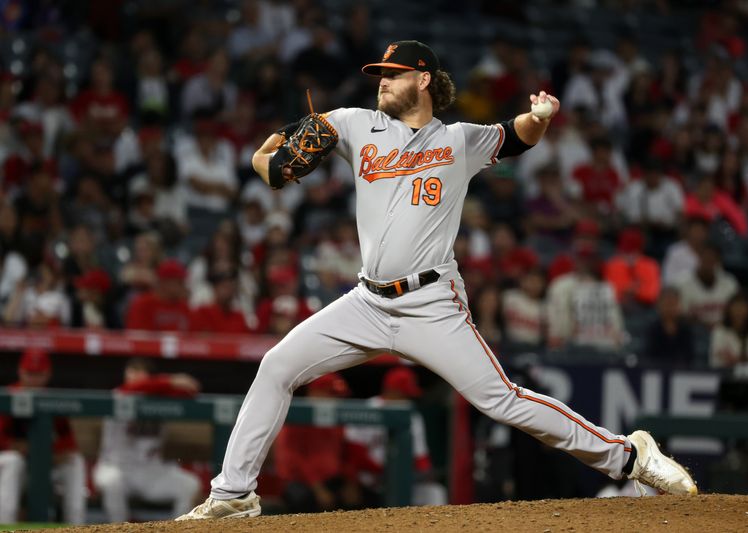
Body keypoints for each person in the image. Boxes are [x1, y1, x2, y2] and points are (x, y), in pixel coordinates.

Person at [178, 40, 696, 521]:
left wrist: (539, 117)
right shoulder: (356, 123)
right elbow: (279, 165)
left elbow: (517, 135)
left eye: (392, 74)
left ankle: (630, 457)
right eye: (378, 74)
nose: (381, 81)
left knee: (503, 400)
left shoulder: (459, 140)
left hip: (431, 304)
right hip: (366, 301)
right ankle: (233, 495)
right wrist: (263, 160)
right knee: (276, 366)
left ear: (423, 79)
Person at [93, 358, 202, 523]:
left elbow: (190, 392)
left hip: (151, 472)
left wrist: (170, 386)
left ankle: (178, 529)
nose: (133, 376)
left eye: (138, 372)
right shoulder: (119, 393)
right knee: (112, 482)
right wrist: (171, 380)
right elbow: (134, 388)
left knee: (189, 485)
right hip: (115, 467)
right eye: (130, 371)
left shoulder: (160, 397)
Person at [0, 349, 87, 524]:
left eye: (38, 374)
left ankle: (77, 526)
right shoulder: (8, 395)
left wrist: (43, 452)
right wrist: (27, 449)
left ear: (47, 374)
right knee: (13, 461)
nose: (33, 380)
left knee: (74, 462)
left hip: (42, 463)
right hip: (12, 467)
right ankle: (5, 525)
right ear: (20, 372)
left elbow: (69, 442)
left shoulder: (52, 400)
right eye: (29, 374)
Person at [345, 366, 448, 506]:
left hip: (400, 479)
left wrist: (426, 474)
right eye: (404, 394)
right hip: (369, 480)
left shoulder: (412, 415)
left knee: (434, 492)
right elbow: (353, 452)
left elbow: (420, 457)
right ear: (391, 391)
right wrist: (385, 472)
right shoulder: (367, 410)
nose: (407, 399)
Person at [273, 373, 373, 513]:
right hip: (299, 482)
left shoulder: (336, 421)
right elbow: (294, 460)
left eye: (338, 396)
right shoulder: (296, 417)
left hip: (330, 480)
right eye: (331, 394)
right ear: (315, 393)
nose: (336, 400)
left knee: (367, 498)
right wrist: (318, 489)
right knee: (305, 500)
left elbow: (344, 455)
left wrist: (351, 482)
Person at [709, 292, 748, 369]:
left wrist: (739, 361)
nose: (739, 311)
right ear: (729, 309)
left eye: (743, 307)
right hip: (724, 374)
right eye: (736, 307)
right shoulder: (719, 331)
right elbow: (719, 357)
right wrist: (744, 361)